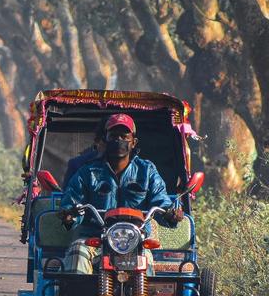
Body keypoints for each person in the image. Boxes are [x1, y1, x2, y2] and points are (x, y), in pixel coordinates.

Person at [60, 113, 181, 273]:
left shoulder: (147, 171)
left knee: (146, 259)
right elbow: (73, 202)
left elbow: (160, 202)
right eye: (114, 136)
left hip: (136, 238)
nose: (119, 141)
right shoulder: (87, 172)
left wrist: (169, 214)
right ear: (105, 139)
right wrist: (70, 215)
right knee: (78, 251)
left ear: (133, 142)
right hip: (94, 238)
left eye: (124, 136)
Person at [64, 120, 108, 186]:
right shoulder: (77, 165)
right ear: (98, 141)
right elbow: (68, 193)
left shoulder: (128, 168)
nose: (117, 142)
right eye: (111, 137)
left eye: (123, 137)